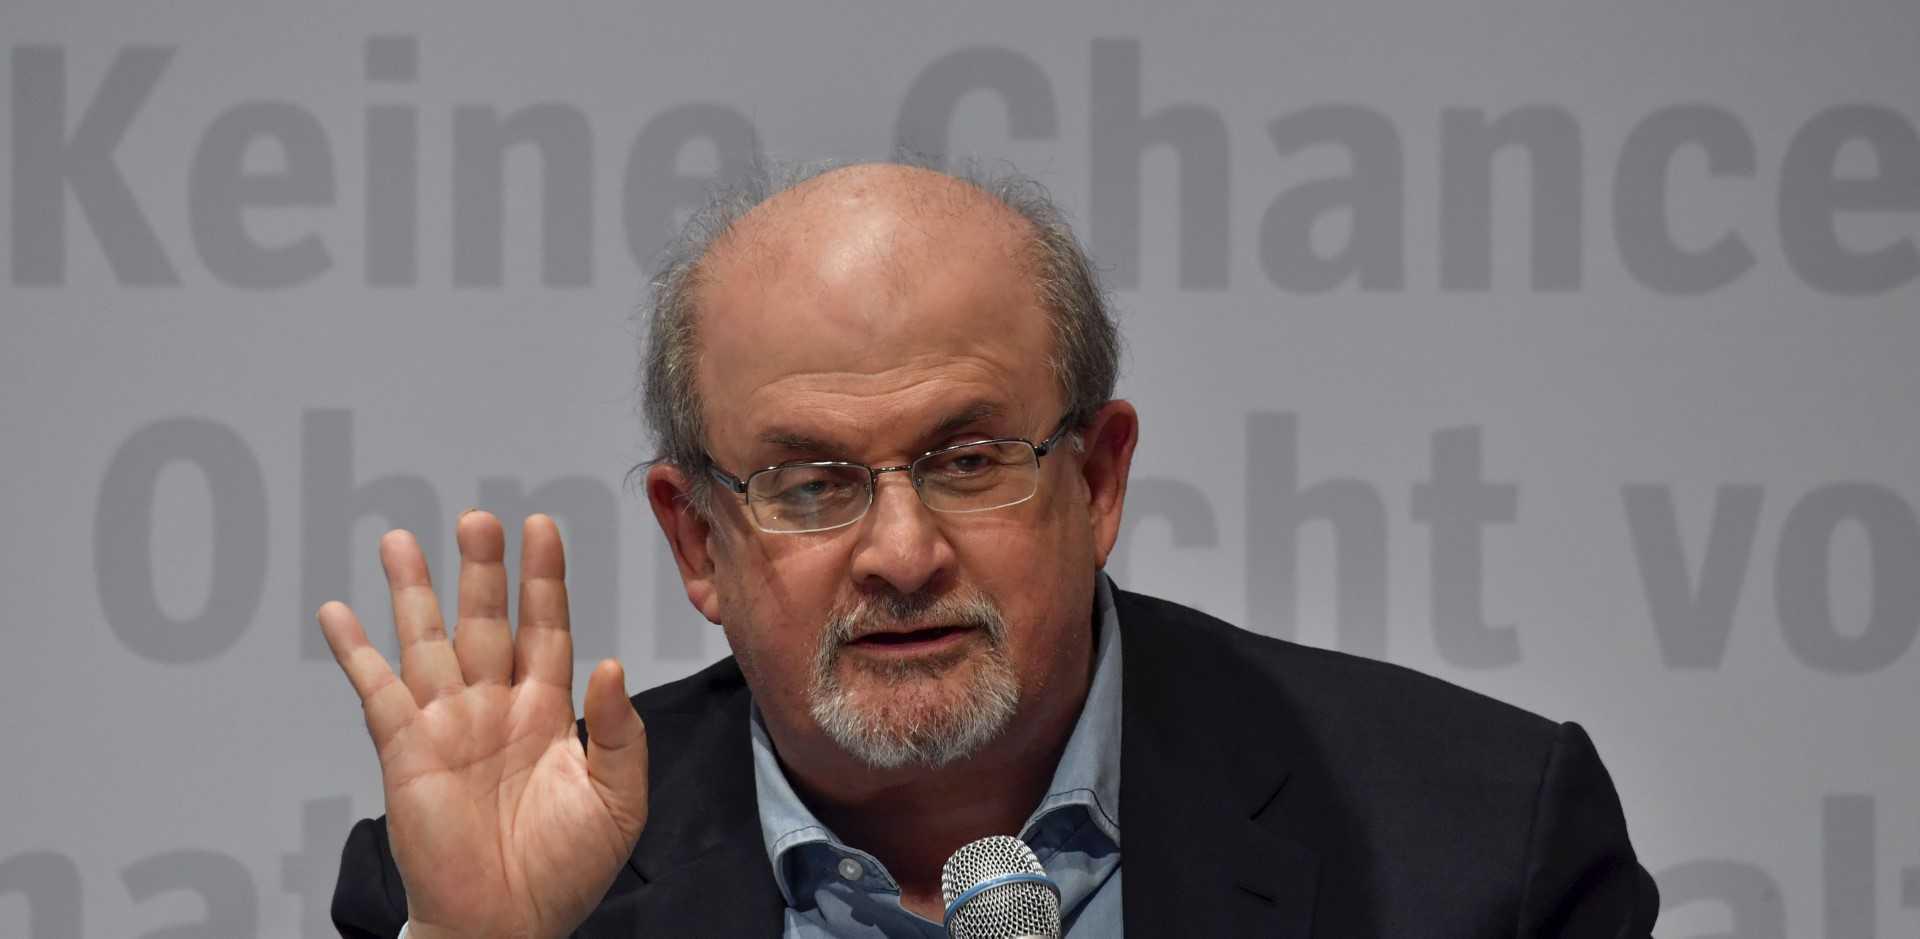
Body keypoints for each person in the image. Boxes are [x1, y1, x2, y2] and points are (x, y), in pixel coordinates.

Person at [323, 161, 1660, 937]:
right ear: (700, 542)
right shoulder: (485, 896)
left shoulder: (1481, 847)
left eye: (969, 461)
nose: (901, 553)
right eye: (808, 482)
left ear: (1099, 478)